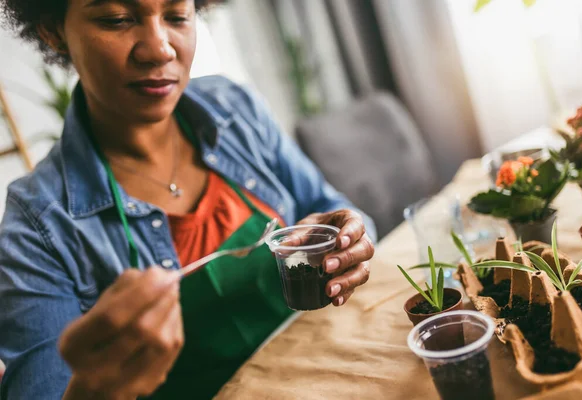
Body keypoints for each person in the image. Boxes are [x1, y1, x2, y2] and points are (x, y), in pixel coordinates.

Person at [0, 0, 377, 399]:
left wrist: (346, 241)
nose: (160, 48)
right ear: (53, 31)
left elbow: (333, 209)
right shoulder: (37, 227)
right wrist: (95, 390)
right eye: (117, 19)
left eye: (177, 16)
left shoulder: (234, 109)